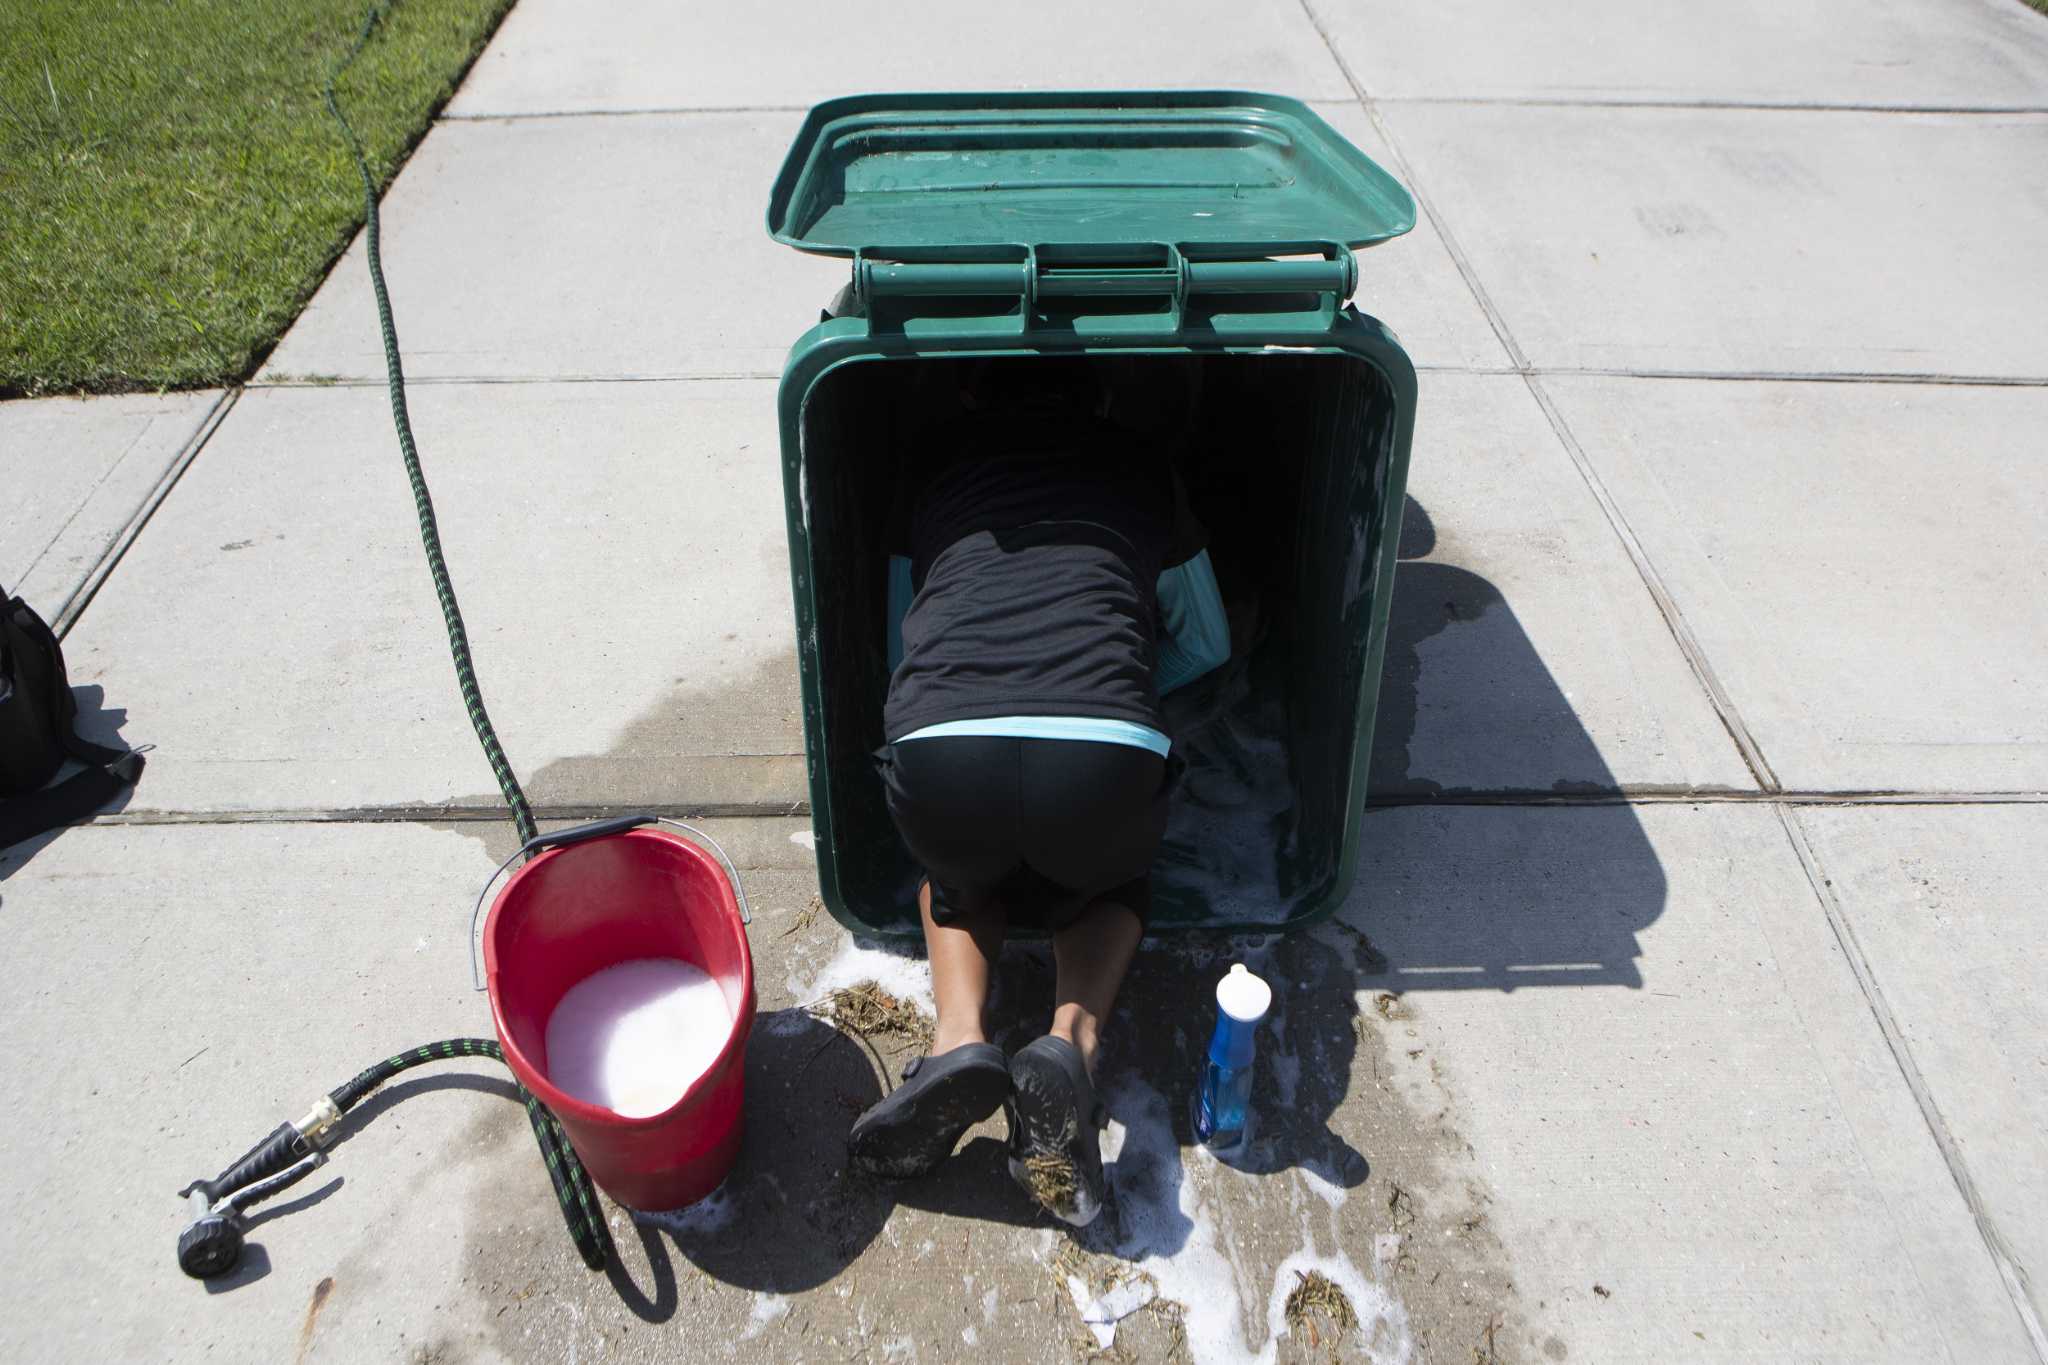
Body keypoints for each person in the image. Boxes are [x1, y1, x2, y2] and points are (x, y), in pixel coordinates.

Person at [845, 357, 1229, 1225]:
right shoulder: (1139, 465)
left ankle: (958, 1042)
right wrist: (1118, 681)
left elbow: (905, 638)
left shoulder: (936, 467)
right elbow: (1207, 642)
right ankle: (1068, 1048)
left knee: (959, 880)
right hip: (1100, 762)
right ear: (1099, 390)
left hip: (947, 757)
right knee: (1110, 883)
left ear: (971, 386)